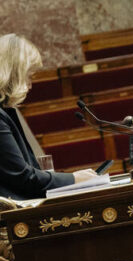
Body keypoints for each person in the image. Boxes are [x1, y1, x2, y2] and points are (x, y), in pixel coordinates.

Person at [0, 34, 97, 200]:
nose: (30, 85)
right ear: (14, 74)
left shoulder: (7, 111)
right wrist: (74, 179)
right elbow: (24, 177)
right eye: (28, 75)